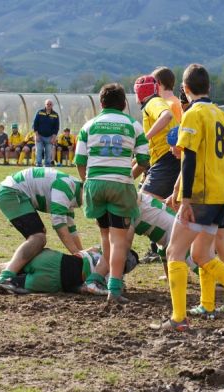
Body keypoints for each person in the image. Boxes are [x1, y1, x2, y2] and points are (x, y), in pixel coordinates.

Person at [159, 63, 224, 331]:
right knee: (202, 253)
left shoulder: (193, 115)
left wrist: (187, 198)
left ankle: (178, 319)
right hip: (220, 195)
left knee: (174, 252)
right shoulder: (222, 115)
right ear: (209, 87)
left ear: (185, 88)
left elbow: (189, 158)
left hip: (201, 196)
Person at [74, 83, 150, 303]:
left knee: (105, 235)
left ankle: (103, 278)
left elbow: (80, 161)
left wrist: (87, 181)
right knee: (119, 239)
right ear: (124, 104)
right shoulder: (133, 125)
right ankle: (114, 288)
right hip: (121, 186)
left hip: (95, 185)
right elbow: (144, 161)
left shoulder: (89, 125)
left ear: (101, 103)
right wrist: (128, 177)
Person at [0, 167, 84, 293]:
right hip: (11, 192)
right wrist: (78, 256)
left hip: (12, 191)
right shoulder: (66, 187)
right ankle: (5, 278)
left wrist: (82, 255)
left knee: (38, 236)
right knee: (38, 238)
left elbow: (71, 230)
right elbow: (59, 224)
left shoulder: (71, 191)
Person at [0, 247, 140, 295]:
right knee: (12, 284)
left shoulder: (101, 248)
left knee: (3, 268)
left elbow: (80, 252)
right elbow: (83, 288)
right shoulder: (114, 278)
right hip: (56, 282)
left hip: (53, 258)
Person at [133, 74, 179, 200]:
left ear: (140, 91)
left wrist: (144, 138)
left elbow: (166, 115)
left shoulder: (153, 102)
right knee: (166, 205)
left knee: (144, 202)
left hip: (166, 159)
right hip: (169, 159)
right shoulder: (156, 102)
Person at [33, 99, 60, 167]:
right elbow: (35, 124)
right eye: (47, 104)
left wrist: (54, 137)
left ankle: (47, 165)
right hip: (39, 136)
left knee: (48, 152)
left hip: (49, 137)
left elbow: (56, 127)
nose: (48, 105)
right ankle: (38, 164)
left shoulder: (55, 115)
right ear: (45, 105)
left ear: (52, 105)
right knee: (39, 151)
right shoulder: (39, 112)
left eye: (50, 104)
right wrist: (36, 135)